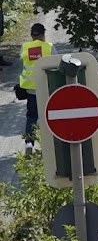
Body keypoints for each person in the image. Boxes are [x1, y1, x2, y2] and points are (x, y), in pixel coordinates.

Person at [19, 23, 52, 153]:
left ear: (31, 35)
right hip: (45, 88)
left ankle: (29, 143)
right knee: (47, 115)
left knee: (31, 117)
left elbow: (23, 63)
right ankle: (50, 145)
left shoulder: (24, 48)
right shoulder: (49, 48)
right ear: (43, 35)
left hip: (30, 90)